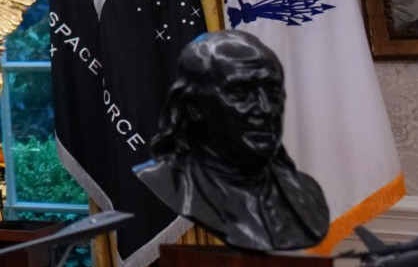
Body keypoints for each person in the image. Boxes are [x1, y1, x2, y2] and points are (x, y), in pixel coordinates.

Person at [135, 30, 328, 252]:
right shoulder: (162, 183)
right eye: (241, 93)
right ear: (193, 106)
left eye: (273, 92)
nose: (266, 109)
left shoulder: (308, 193)